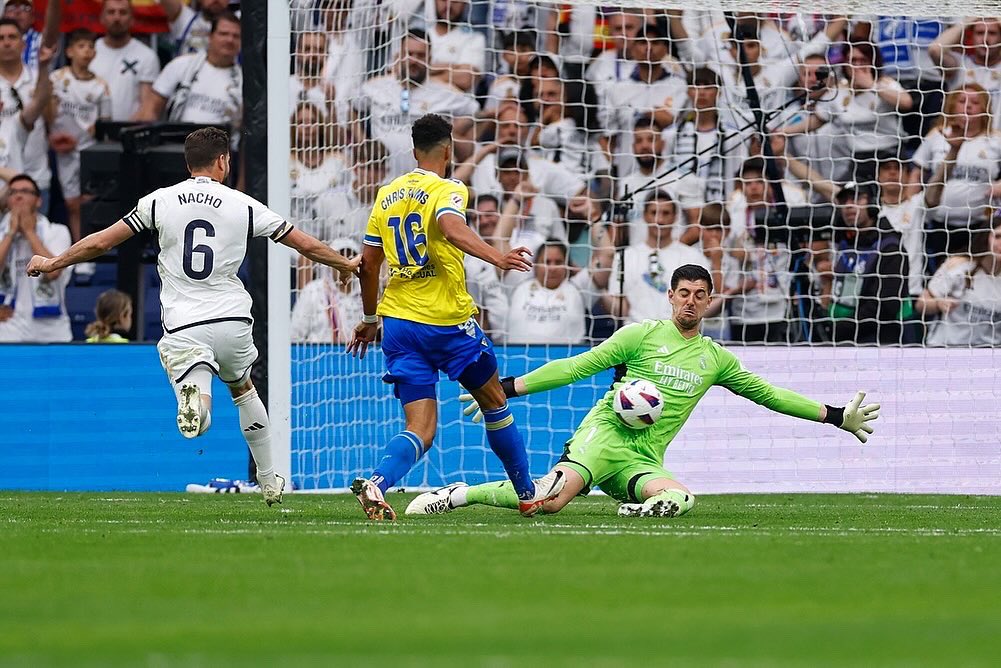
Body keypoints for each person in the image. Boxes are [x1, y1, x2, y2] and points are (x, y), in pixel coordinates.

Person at [26, 127, 360, 507]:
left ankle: (197, 395)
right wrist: (343, 262)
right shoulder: (244, 204)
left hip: (185, 322)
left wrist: (53, 261)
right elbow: (302, 242)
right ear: (223, 161)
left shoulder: (160, 201)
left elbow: (102, 241)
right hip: (233, 320)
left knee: (186, 362)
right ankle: (269, 480)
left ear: (187, 163)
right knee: (243, 387)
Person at [406, 263, 880, 518]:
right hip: (602, 440)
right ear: (670, 295)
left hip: (642, 458)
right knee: (542, 504)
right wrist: (506, 387)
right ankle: (459, 495)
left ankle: (638, 507)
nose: (690, 301)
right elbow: (577, 367)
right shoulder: (641, 335)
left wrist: (835, 415)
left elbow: (769, 395)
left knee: (682, 499)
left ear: (709, 300)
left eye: (700, 294)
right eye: (683, 293)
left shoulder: (716, 359)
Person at [346, 113, 565, 521]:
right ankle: (526, 492)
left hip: (397, 323)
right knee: (494, 400)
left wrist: (370, 318)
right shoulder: (448, 188)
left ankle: (377, 482)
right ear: (449, 149)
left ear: (414, 151)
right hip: (447, 323)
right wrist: (497, 255)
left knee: (421, 428)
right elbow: (450, 228)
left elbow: (369, 263)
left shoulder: (387, 193)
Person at [48, 29, 112, 244]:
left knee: (87, 203)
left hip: (88, 151)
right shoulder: (56, 79)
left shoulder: (101, 86)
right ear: (69, 51)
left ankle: (88, 250)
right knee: (71, 205)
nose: (87, 51)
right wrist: (52, 136)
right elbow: (47, 114)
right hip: (61, 151)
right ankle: (77, 250)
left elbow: (105, 124)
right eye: (81, 46)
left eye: (90, 47)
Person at [140, 11, 242, 142]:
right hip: (177, 147)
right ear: (210, 37)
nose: (229, 40)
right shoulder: (181, 65)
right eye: (223, 34)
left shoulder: (244, 81)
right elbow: (151, 108)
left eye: (236, 36)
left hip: (221, 154)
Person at [0, 174, 70, 342]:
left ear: (39, 201)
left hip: (51, 331)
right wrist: (10, 234)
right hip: (9, 330)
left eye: (25, 191)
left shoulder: (57, 231)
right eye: (13, 192)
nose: (18, 196)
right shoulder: (2, 234)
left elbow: (54, 272)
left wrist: (30, 232)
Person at [917, 221, 1001, 347]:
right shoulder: (958, 266)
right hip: (946, 348)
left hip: (989, 352)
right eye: (998, 237)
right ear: (986, 237)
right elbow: (920, 304)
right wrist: (938, 304)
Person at [505, 240, 587, 344]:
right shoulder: (517, 285)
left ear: (568, 265)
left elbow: (605, 256)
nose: (552, 268)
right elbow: (501, 243)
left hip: (568, 358)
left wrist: (597, 224)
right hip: (518, 357)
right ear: (535, 265)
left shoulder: (580, 287)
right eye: (546, 262)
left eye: (558, 262)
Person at [91, 0, 161, 121]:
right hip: (89, 135)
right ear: (101, 18)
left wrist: (123, 132)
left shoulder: (147, 56)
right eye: (111, 12)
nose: (117, 17)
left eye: (123, 12)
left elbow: (147, 107)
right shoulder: (89, 52)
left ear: (132, 19)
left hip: (128, 135)